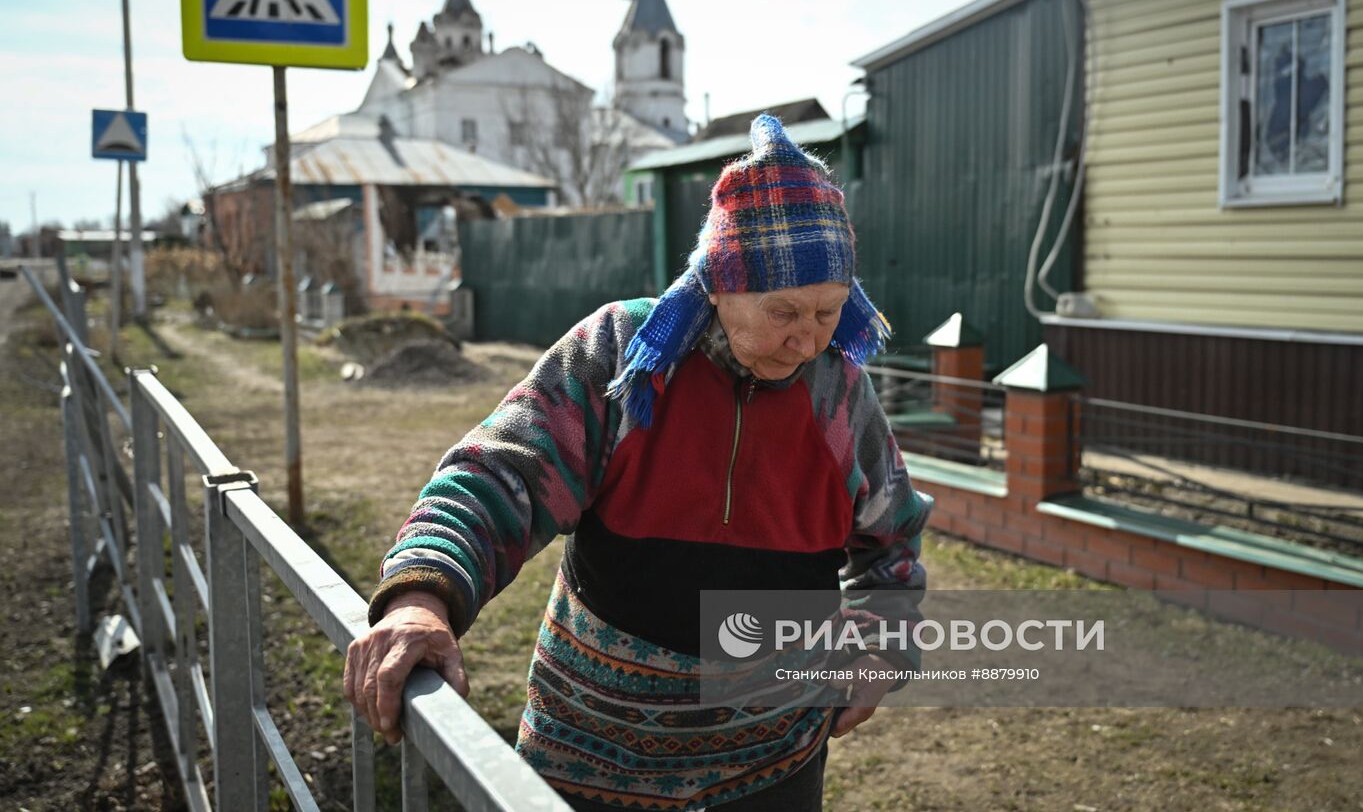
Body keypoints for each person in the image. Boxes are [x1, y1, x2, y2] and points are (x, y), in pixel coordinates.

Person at [344, 114, 932, 810]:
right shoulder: (622, 356)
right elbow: (497, 477)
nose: (807, 340)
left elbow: (891, 539)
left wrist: (877, 646)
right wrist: (422, 597)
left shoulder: (840, 393)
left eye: (830, 312)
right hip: (591, 766)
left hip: (775, 768)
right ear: (719, 282)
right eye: (783, 311)